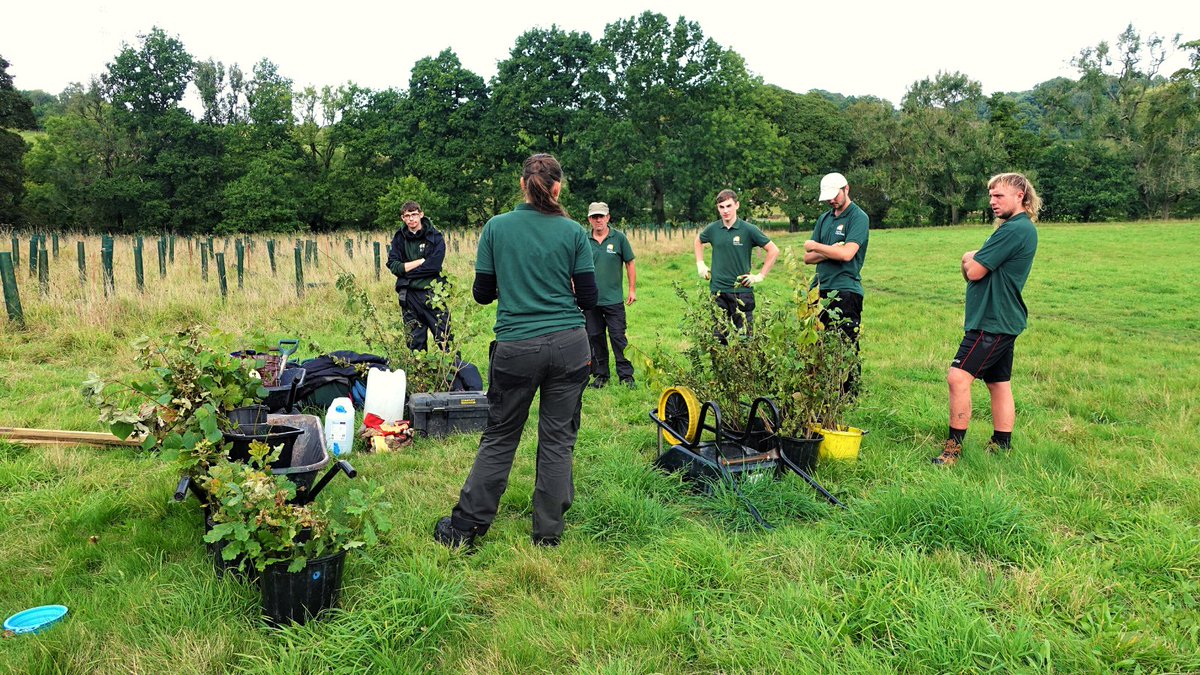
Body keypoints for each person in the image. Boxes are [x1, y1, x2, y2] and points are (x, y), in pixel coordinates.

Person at [434, 153, 596, 548]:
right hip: (570, 345)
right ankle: (548, 535)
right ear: (557, 188)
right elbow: (589, 297)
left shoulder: (496, 228)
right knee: (558, 439)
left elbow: (482, 294)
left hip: (516, 349)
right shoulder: (574, 232)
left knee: (501, 436)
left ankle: (467, 528)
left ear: (523, 185)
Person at [932, 172, 1041, 467]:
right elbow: (974, 265)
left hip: (991, 322)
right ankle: (1001, 444)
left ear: (1020, 195)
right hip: (1004, 319)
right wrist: (972, 260)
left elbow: (975, 270)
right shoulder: (1015, 228)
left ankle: (952, 451)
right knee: (998, 382)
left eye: (999, 195)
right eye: (991, 196)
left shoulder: (1014, 230)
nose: (992, 201)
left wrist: (969, 258)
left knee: (958, 378)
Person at [804, 172, 870, 391]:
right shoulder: (824, 219)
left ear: (846, 189)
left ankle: (849, 393)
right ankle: (825, 387)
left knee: (846, 342)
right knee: (820, 342)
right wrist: (833, 249)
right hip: (820, 289)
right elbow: (807, 257)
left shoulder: (858, 217)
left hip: (846, 288)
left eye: (835, 195)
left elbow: (847, 255)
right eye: (828, 197)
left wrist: (819, 247)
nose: (832, 200)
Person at [693, 189, 779, 335]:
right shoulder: (713, 229)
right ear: (718, 208)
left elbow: (773, 250)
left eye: (728, 206)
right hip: (718, 291)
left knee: (746, 338)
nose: (725, 211)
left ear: (737, 205)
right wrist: (700, 263)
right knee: (719, 338)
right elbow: (698, 241)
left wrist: (760, 276)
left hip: (741, 291)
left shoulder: (748, 229)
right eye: (721, 207)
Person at [583, 201, 637, 389]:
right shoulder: (583, 239)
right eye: (594, 217)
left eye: (601, 216)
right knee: (595, 337)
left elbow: (630, 263)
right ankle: (601, 375)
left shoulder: (619, 238)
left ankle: (626, 376)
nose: (598, 220)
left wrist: (631, 289)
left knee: (618, 337)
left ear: (608, 217)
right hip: (590, 300)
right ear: (589, 219)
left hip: (613, 300)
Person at [386, 201, 453, 351]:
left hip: (433, 293)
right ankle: (420, 374)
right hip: (409, 295)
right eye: (407, 216)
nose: (411, 219)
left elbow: (433, 266)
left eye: (414, 214)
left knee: (445, 338)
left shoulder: (434, 236)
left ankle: (451, 373)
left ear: (421, 215)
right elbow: (393, 265)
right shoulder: (399, 238)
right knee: (415, 342)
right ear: (403, 218)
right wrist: (420, 261)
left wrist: (406, 272)